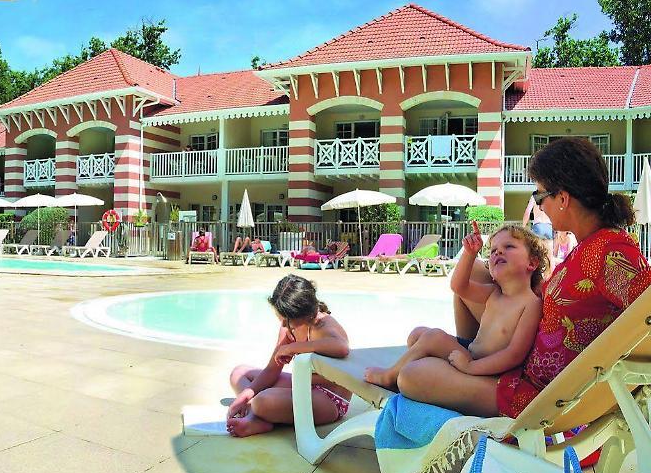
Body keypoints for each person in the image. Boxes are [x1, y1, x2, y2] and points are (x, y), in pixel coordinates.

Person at [398, 137, 651, 417]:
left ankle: (467, 364)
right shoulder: (590, 245)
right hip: (520, 364)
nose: (539, 207)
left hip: (532, 392)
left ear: (563, 199)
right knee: (471, 280)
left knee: (412, 376)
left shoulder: (608, 251)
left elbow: (645, 307)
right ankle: (467, 354)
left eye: (540, 196)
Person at [364, 222, 545, 390]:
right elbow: (459, 287)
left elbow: (514, 355)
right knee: (417, 334)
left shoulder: (531, 304)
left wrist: (471, 367)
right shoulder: (494, 293)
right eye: (493, 250)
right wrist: (470, 253)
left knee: (433, 337)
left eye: (509, 247)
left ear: (532, 263)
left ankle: (390, 377)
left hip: (489, 368)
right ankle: (426, 368)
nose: (498, 252)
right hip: (469, 351)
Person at [225, 275, 352, 437]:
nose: (283, 325)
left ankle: (256, 416)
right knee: (239, 373)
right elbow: (272, 370)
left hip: (329, 399)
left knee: (262, 401)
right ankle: (259, 415)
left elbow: (342, 347)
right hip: (302, 385)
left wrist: (293, 348)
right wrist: (246, 395)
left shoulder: (323, 325)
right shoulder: (289, 328)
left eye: (287, 320)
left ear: (305, 314)